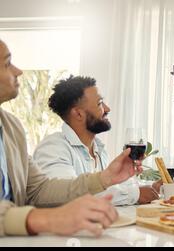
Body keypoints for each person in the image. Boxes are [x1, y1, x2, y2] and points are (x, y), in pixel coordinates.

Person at [0, 38, 142, 237]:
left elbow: (39, 190)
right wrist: (45, 219)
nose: (18, 71)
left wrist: (105, 178)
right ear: (78, 113)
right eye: (7, 63)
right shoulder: (54, 146)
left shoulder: (11, 127)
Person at [33, 76, 161, 205]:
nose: (107, 109)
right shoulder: (54, 148)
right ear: (78, 114)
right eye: (100, 103)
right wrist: (135, 194)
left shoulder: (99, 150)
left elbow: (109, 187)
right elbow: (68, 195)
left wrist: (152, 186)